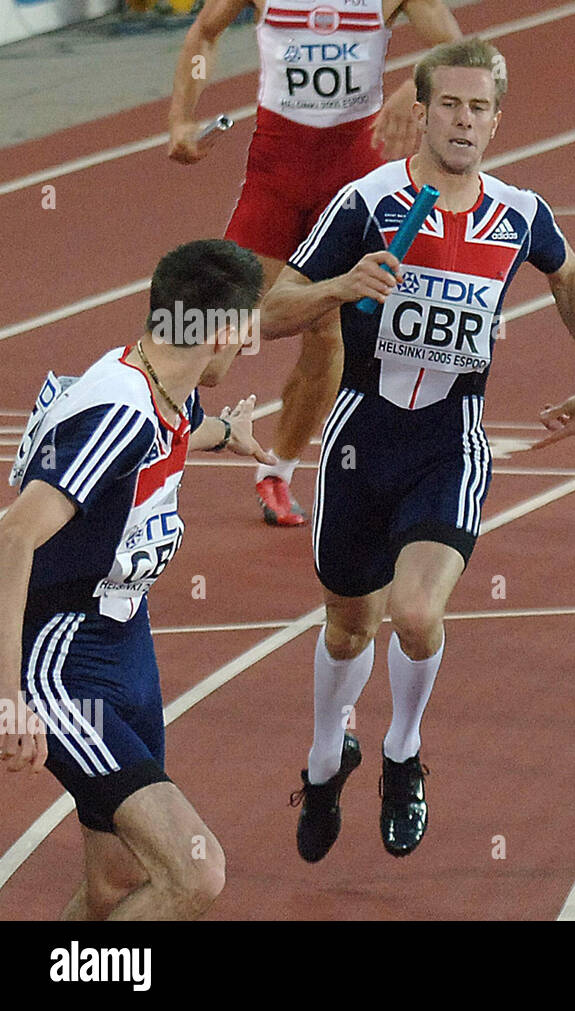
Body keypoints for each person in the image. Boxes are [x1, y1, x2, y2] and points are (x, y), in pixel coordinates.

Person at [259, 38, 575, 862]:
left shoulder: (519, 212)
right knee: (348, 626)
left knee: (416, 615)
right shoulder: (367, 202)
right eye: (449, 105)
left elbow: (570, 277)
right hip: (359, 442)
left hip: (449, 444)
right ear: (421, 112)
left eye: (479, 107)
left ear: (497, 119)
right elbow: (274, 305)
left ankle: (401, 752)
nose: (464, 120)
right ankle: (325, 758)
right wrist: (342, 286)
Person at [0, 239, 272, 919]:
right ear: (216, 332)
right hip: (62, 660)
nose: (249, 343)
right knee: (195, 873)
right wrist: (8, 698)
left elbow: (173, 431)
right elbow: (12, 534)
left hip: (126, 648)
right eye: (245, 327)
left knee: (113, 887)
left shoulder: (157, 383)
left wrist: (224, 433)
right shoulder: (117, 411)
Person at [168, 0, 460, 526]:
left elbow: (453, 49)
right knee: (214, 352)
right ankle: (142, 430)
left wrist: (410, 86)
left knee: (326, 329)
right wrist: (181, 117)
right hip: (276, 175)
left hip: (350, 177)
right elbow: (204, 33)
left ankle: (277, 470)